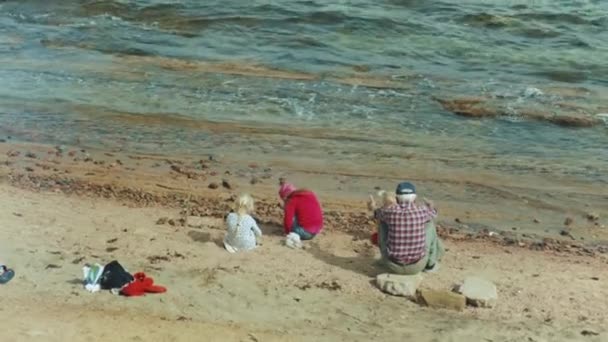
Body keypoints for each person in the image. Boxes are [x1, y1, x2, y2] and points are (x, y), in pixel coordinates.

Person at [368, 181, 444, 275]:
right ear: (415, 197)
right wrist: (431, 205)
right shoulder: (422, 211)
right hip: (417, 266)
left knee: (383, 222)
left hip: (391, 265)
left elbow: (376, 213)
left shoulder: (389, 212)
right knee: (429, 223)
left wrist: (372, 207)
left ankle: (383, 258)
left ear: (397, 198)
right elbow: (434, 213)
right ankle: (430, 264)